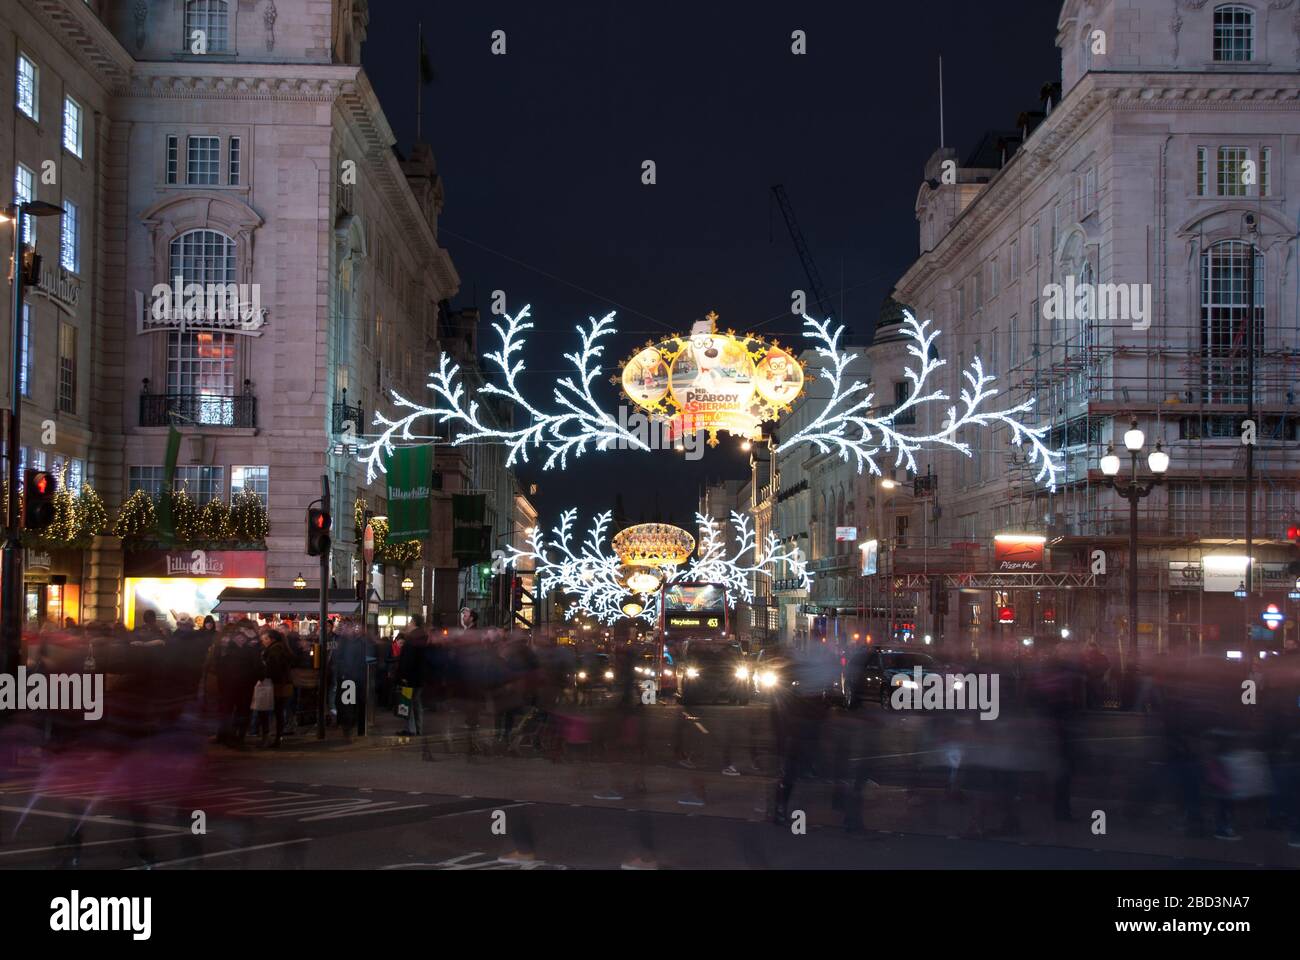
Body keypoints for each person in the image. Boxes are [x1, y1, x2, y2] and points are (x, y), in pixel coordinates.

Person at [259, 629, 295, 748]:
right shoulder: (282, 648)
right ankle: (278, 737)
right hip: (284, 684)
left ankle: (270, 737)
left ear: (271, 639)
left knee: (267, 711)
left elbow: (273, 669)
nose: (263, 641)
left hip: (275, 684)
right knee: (279, 711)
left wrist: (264, 674)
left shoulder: (274, 650)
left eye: (265, 639)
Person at [398, 616, 430, 735]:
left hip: (410, 677)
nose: (408, 624)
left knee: (408, 702)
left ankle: (410, 729)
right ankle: (418, 728)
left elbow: (408, 660)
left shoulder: (412, 639)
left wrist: (404, 676)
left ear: (414, 623)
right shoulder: (424, 637)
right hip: (420, 676)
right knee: (416, 702)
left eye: (410, 621)